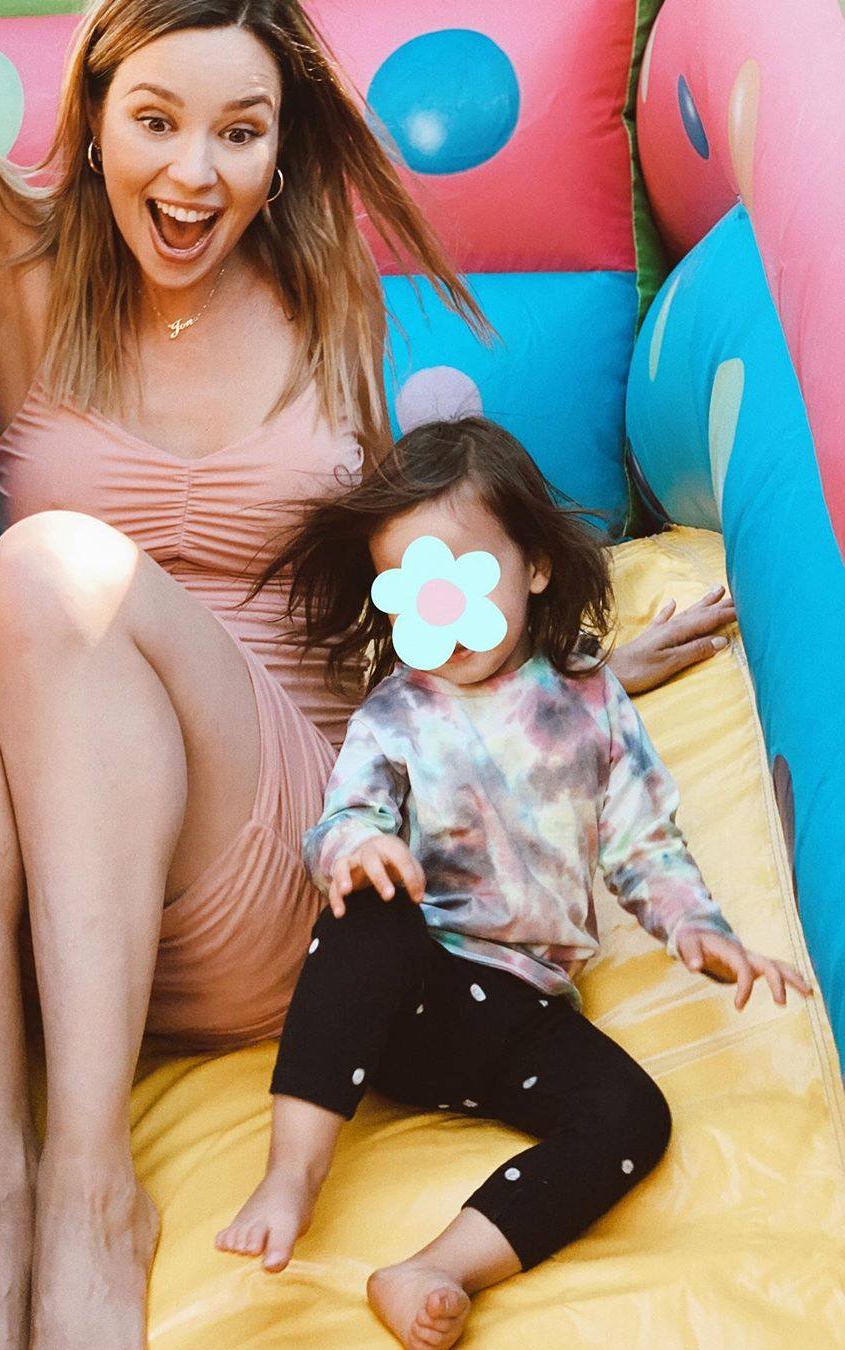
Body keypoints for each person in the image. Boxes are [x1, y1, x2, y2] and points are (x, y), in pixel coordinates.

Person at [0, 1, 738, 1345]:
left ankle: (95, 1188)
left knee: (51, 562)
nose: (192, 174)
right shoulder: (18, 270)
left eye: (239, 130)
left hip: (266, 856)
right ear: (93, 117)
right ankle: (8, 1201)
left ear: (282, 149)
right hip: (46, 886)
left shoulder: (319, 292)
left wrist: (557, 678)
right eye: (155, 121)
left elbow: (385, 576)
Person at [216, 416, 813, 1350]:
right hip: (409, 995)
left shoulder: (591, 705)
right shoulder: (396, 712)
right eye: (415, 593)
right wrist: (361, 850)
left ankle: (436, 1268)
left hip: (519, 1018)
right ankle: (293, 1173)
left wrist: (698, 928)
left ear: (533, 564)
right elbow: (344, 817)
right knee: (372, 910)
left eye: (464, 577)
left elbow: (643, 845)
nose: (443, 616)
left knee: (633, 1119)